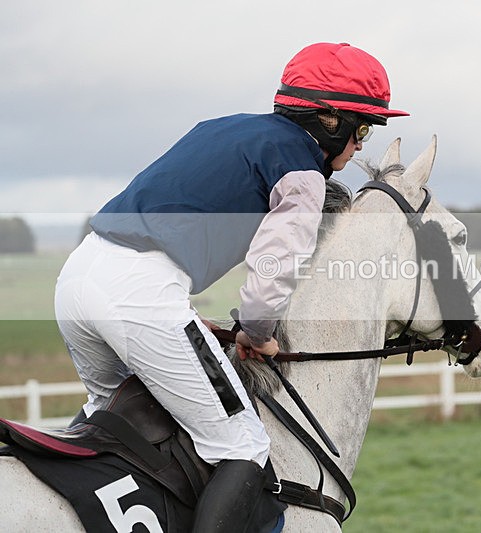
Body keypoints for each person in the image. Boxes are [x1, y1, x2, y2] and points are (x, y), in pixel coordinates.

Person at [54, 42, 407, 532]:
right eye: (364, 127)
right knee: (243, 444)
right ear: (331, 121)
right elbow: (272, 267)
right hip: (140, 295)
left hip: (79, 277)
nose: (362, 142)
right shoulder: (301, 171)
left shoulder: (221, 127)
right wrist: (257, 332)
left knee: (115, 421)